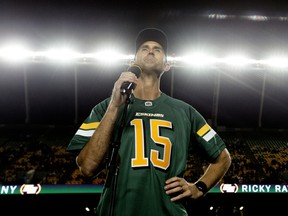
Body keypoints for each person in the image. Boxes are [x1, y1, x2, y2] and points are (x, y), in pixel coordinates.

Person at [67, 28, 231, 216]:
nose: (151, 50)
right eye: (144, 48)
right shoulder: (105, 108)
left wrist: (199, 187)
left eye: (158, 49)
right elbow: (87, 167)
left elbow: (223, 157)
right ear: (132, 62)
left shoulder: (185, 111)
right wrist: (114, 105)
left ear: (167, 65)